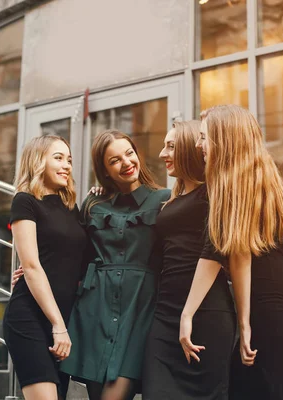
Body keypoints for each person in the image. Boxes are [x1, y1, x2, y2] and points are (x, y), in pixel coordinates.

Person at [184, 104, 283, 400]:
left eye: (204, 137)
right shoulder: (262, 177)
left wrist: (244, 323)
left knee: (261, 389)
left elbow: (238, 256)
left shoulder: (233, 184)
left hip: (268, 307)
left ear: (222, 141)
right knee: (266, 387)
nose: (199, 145)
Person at [60, 130, 171, 400]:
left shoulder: (165, 200)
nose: (126, 163)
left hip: (140, 310)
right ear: (105, 170)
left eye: (129, 153)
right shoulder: (93, 204)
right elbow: (74, 250)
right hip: (95, 309)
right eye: (115, 160)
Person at [142, 121, 236, 399]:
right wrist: (99, 194)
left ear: (188, 148)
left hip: (206, 314)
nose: (162, 154)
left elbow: (215, 251)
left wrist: (188, 314)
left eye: (170, 146)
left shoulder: (215, 192)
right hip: (164, 314)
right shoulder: (169, 199)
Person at [3, 135, 87, 400]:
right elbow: (31, 265)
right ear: (39, 161)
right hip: (30, 318)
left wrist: (99, 194)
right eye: (58, 158)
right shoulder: (25, 201)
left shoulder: (71, 208)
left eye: (69, 160)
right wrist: (58, 325)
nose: (67, 166)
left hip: (61, 320)